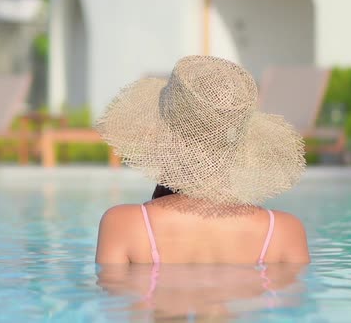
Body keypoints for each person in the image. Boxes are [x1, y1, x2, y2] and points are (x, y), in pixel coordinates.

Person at [94, 56, 310, 265]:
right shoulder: (283, 231)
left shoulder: (124, 224)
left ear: (162, 138)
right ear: (242, 144)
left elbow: (115, 299)